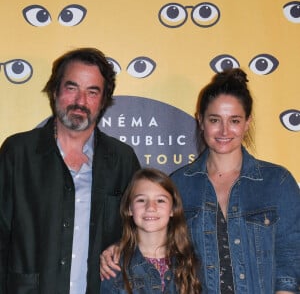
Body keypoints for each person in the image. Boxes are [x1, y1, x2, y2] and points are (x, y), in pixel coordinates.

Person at [99, 68, 300, 293]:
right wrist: (119, 248)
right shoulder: (181, 185)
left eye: (234, 120)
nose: (224, 130)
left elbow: (291, 257)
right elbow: (156, 240)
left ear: (247, 122)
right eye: (215, 119)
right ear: (201, 120)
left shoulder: (277, 182)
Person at [0, 47, 140, 294]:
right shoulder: (18, 152)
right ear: (55, 91)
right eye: (71, 88)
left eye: (92, 92)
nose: (80, 101)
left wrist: (122, 244)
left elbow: (142, 229)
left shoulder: (122, 159)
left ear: (104, 100)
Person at [100, 167, 201, 294]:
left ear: (172, 210)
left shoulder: (189, 262)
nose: (151, 207)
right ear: (129, 209)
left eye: (160, 200)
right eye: (141, 200)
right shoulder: (114, 265)